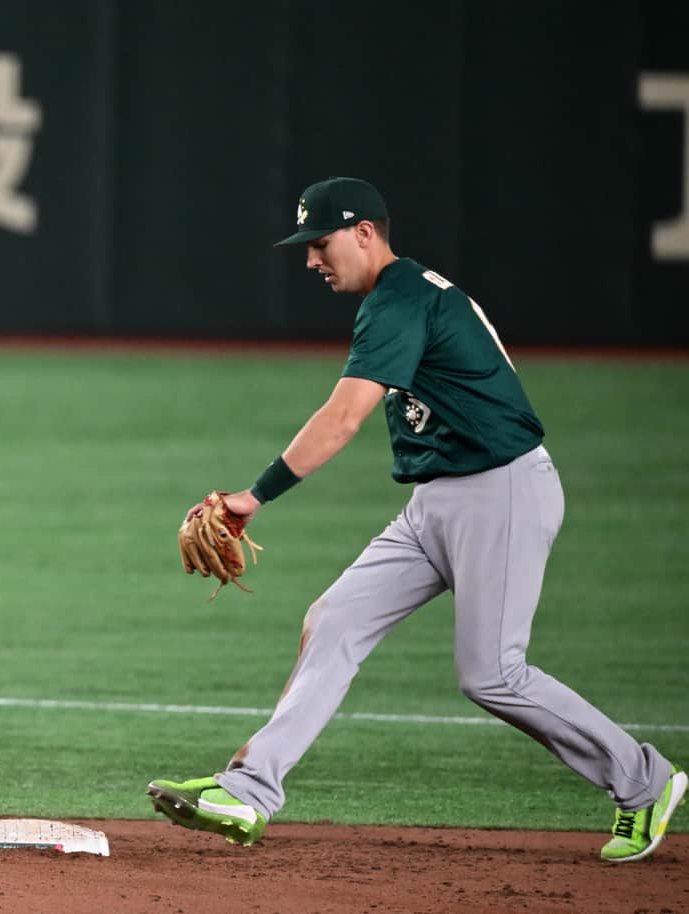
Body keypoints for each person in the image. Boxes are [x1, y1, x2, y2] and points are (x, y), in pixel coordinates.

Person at [147, 177, 685, 862]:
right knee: (335, 620)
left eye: (321, 243)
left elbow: (343, 418)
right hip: (437, 502)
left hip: (500, 491)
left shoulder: (401, 298)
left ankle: (645, 781)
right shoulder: (399, 297)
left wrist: (255, 496)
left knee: (492, 675)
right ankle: (248, 790)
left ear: (364, 233)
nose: (312, 260)